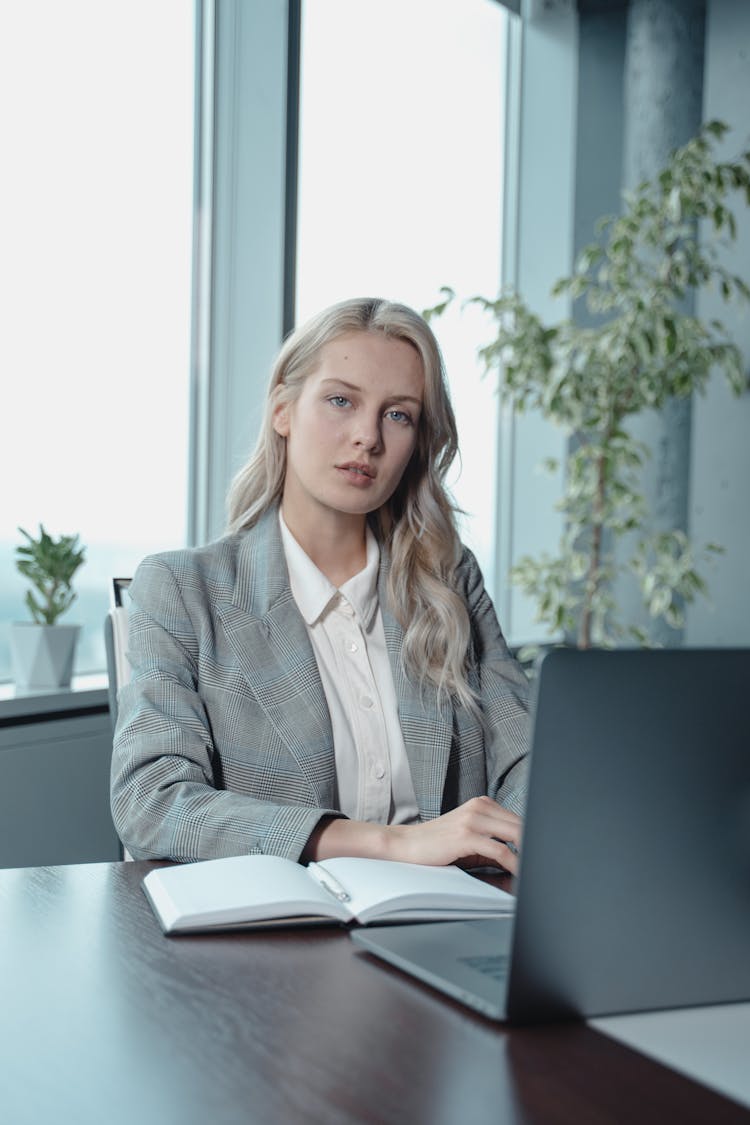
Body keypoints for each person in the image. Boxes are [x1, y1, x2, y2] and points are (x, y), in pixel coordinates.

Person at [110, 297, 530, 873]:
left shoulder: (449, 580)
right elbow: (152, 803)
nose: (368, 437)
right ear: (284, 408)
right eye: (340, 401)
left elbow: (528, 760)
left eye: (398, 414)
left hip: (448, 921)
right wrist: (390, 843)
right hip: (279, 939)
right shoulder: (184, 591)